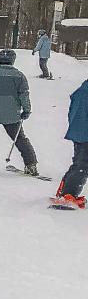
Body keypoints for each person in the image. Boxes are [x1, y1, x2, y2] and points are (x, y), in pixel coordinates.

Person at [52, 78, 88, 209]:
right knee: (82, 165)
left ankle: (65, 191)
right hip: (84, 133)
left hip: (79, 132)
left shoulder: (81, 91)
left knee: (79, 163)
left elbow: (72, 112)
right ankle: (68, 195)